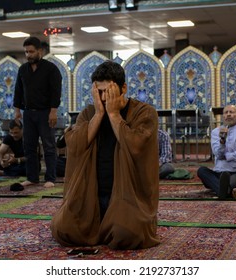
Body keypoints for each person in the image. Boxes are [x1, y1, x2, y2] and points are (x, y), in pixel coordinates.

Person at [51, 61, 160, 250]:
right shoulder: (89, 112)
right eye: (98, 92)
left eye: (108, 91)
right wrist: (100, 114)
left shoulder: (144, 112)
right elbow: (76, 144)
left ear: (123, 88)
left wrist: (114, 114)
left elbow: (136, 146)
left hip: (127, 197)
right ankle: (99, 226)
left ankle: (108, 226)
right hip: (91, 195)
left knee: (127, 234)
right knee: (63, 229)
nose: (103, 97)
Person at [13, 36, 62, 188]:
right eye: (26, 52)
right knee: (29, 146)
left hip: (46, 112)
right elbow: (18, 90)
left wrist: (53, 111)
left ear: (40, 51)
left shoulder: (51, 69)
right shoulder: (23, 69)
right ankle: (32, 177)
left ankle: (50, 178)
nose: (28, 55)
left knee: (48, 145)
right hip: (28, 113)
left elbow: (56, 91)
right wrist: (17, 110)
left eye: (31, 52)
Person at [197, 105, 236, 199]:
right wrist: (222, 142)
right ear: (223, 116)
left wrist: (226, 156)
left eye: (231, 112)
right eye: (226, 112)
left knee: (233, 181)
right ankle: (226, 190)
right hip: (219, 173)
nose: (228, 115)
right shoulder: (216, 132)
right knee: (202, 171)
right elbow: (218, 154)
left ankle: (221, 190)